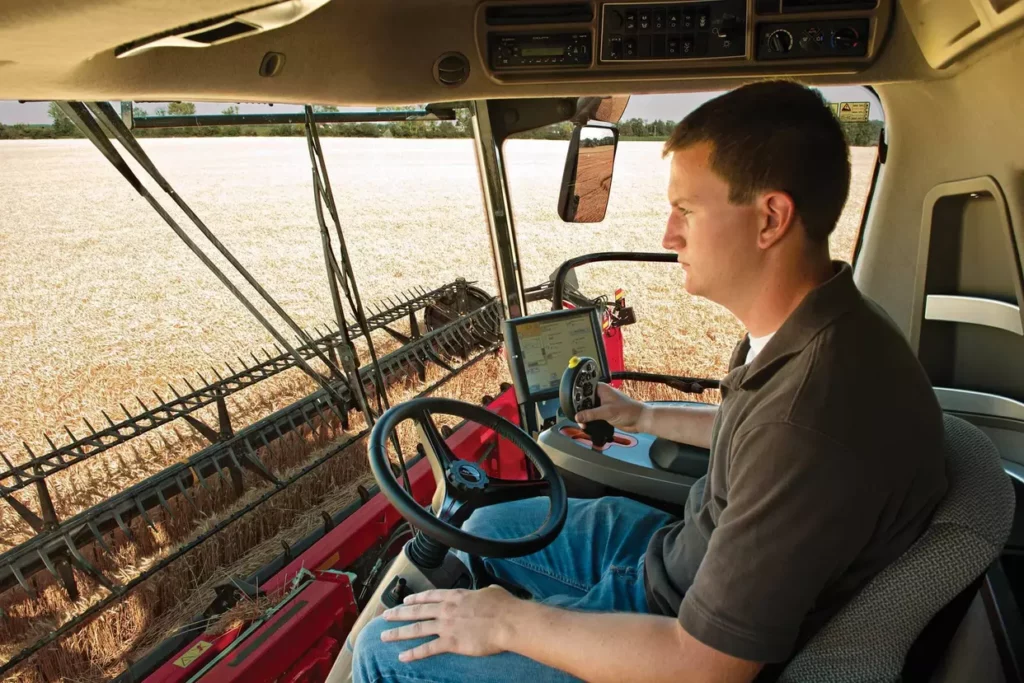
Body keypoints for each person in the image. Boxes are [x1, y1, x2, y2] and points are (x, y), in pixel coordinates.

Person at [352, 81, 948, 683]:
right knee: (484, 526)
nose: (669, 235)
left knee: (382, 649)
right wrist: (642, 416)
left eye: (686, 210)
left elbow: (705, 666)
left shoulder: (809, 416)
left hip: (676, 631)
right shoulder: (821, 328)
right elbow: (749, 439)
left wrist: (508, 624)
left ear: (770, 218)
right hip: (680, 557)